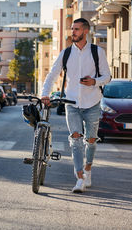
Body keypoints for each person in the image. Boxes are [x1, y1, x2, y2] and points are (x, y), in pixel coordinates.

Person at [41, 18, 111, 193]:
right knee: (76, 140)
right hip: (71, 103)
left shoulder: (97, 52)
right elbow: (52, 75)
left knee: (91, 141)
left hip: (93, 103)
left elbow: (107, 77)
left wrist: (94, 82)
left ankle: (88, 169)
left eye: (77, 29)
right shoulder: (66, 54)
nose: (73, 32)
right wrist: (45, 93)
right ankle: (80, 178)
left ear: (86, 31)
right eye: (72, 29)